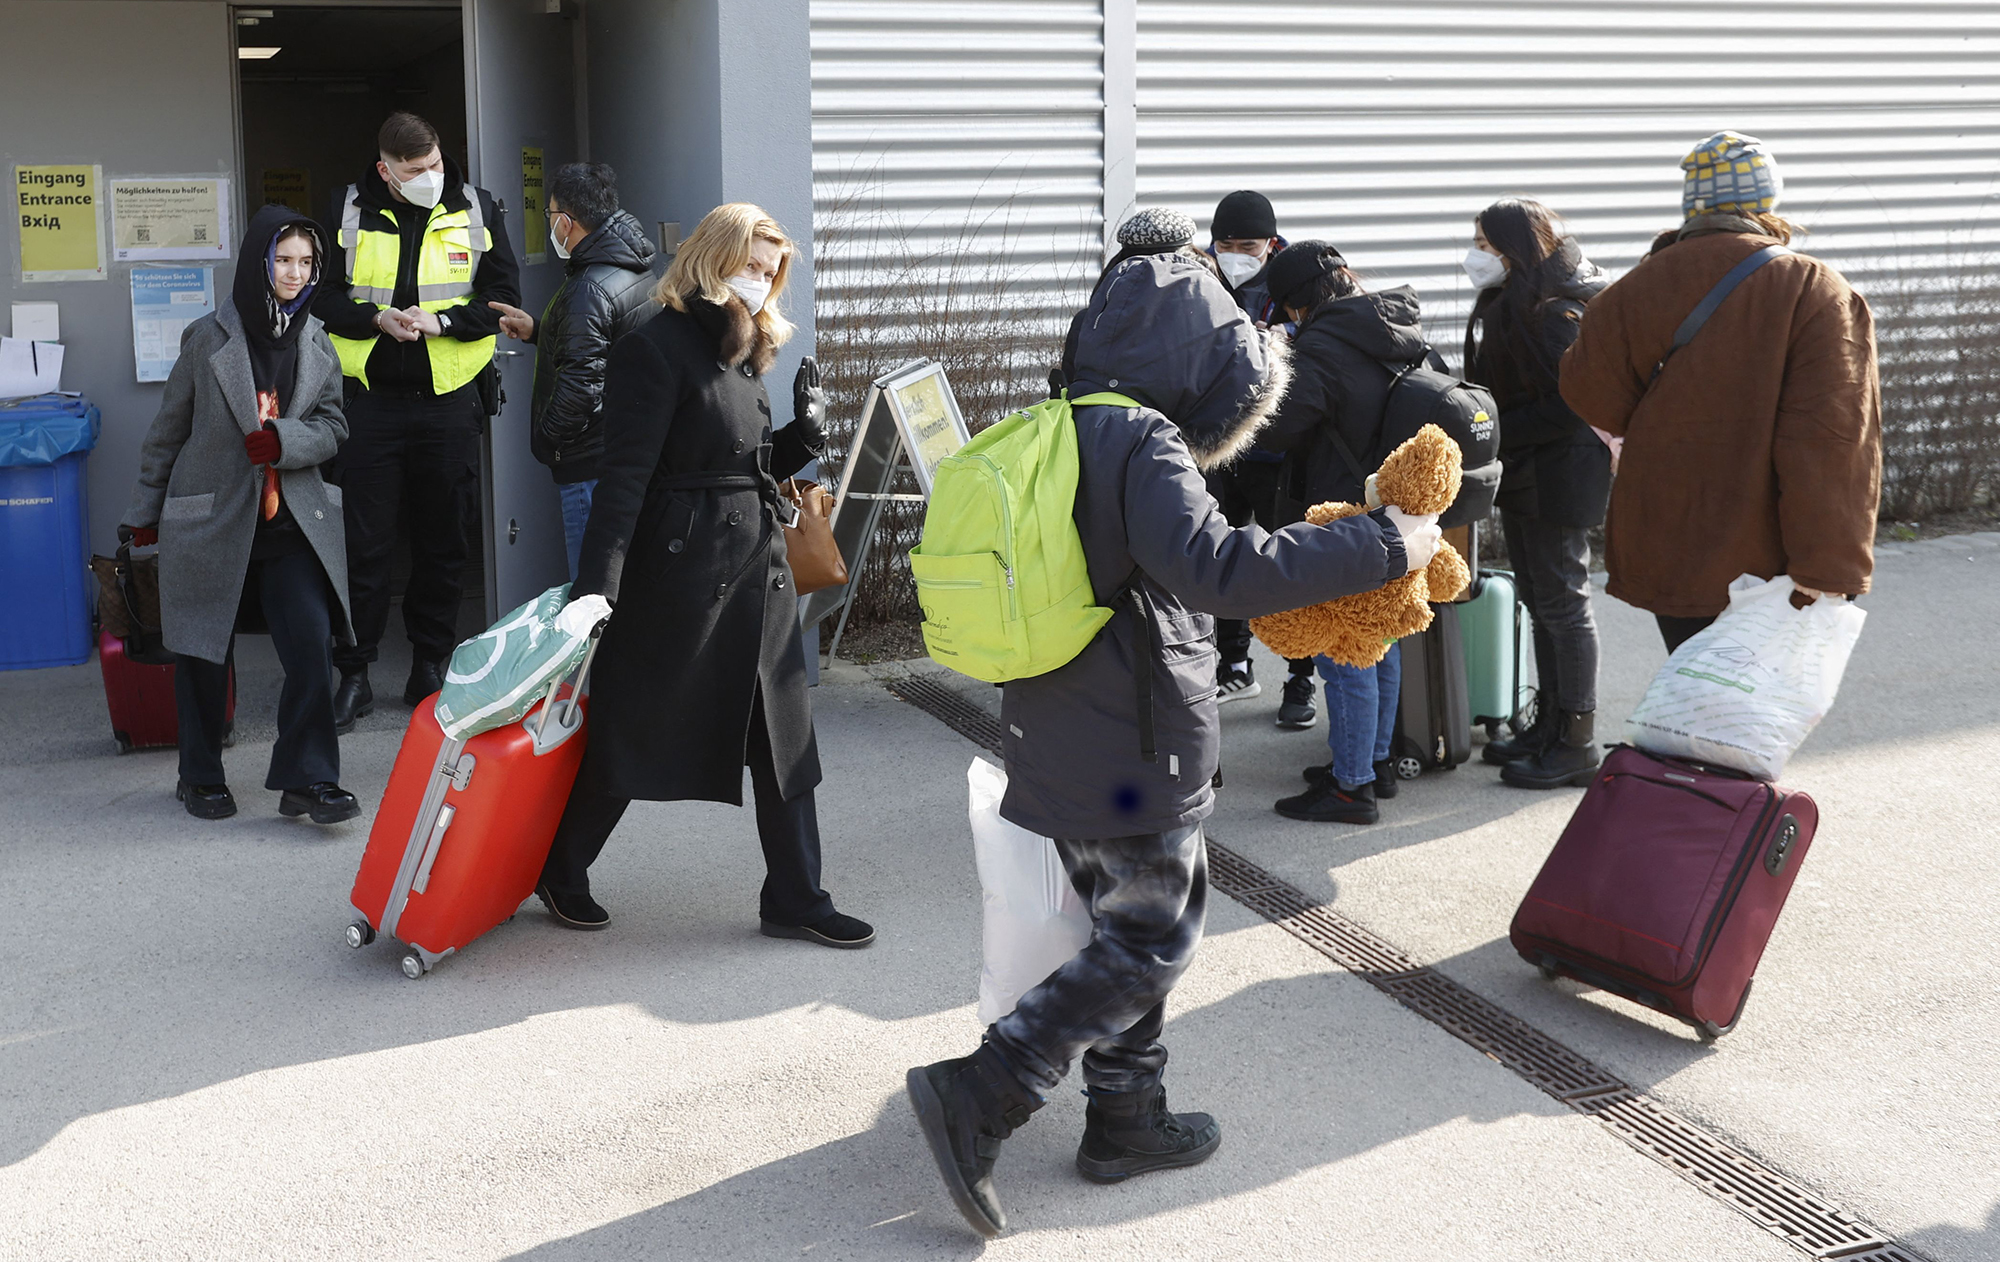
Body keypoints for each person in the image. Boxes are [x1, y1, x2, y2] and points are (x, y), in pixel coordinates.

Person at [906, 241, 1442, 1239]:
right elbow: (1219, 570)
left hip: (1062, 725)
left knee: (1120, 930)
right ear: (1200, 359)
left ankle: (1125, 1115)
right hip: (1131, 744)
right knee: (1154, 938)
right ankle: (986, 1086)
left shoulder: (1062, 423)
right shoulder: (1142, 440)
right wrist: (1383, 541)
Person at [532, 203, 872, 949]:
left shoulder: (746, 349)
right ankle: (561, 868)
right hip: (681, 580)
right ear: (713, 258)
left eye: (770, 272)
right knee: (637, 732)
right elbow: (625, 478)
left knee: (784, 741)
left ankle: (797, 898)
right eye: (751, 265)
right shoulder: (652, 348)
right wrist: (597, 589)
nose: (760, 281)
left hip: (759, 573)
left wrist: (804, 436)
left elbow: (743, 468)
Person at [1561, 131, 1882, 656]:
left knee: (1692, 686)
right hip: (1771, 560)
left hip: (1669, 542)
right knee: (1759, 701)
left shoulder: (1635, 287)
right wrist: (1827, 567)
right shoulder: (1811, 289)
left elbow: (1589, 390)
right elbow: (1833, 440)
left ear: (1694, 205)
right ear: (1766, 201)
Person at [121, 207, 359, 824]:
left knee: (311, 645)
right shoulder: (207, 337)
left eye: (306, 262)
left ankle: (310, 780)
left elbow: (334, 425)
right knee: (203, 654)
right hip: (212, 521)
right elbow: (168, 431)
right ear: (259, 261)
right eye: (283, 260)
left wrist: (286, 441)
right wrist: (144, 512)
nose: (294, 273)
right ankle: (199, 775)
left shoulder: (318, 338)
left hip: (289, 523)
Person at [315, 111, 522, 729]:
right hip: (367, 401)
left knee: (443, 540)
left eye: (433, 163)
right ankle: (354, 673)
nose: (430, 176)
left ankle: (430, 665)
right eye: (414, 170)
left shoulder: (478, 208)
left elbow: (504, 300)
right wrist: (374, 319)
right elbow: (318, 297)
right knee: (363, 544)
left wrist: (444, 322)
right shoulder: (345, 209)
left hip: (448, 400)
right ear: (386, 171)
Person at [1254, 242, 1427, 824]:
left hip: (1343, 513)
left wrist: (1272, 361)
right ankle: (1373, 764)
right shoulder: (1395, 327)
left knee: (1346, 650)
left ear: (1295, 303)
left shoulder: (1322, 347)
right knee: (1380, 638)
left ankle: (1351, 789)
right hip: (1395, 507)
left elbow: (1277, 429)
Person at [1460, 198, 1611, 790]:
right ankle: (1549, 726)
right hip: (1530, 470)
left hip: (1560, 474)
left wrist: (1496, 430)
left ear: (1514, 249)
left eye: (1484, 244)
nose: (1475, 255)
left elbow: (1569, 405)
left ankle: (1577, 741)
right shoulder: (1519, 299)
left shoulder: (1554, 312)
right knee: (1541, 602)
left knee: (1563, 605)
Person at [487, 162, 660, 580]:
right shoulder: (632, 266)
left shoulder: (589, 287)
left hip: (588, 464)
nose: (551, 225)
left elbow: (582, 386)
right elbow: (607, 346)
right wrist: (539, 331)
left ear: (566, 222)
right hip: (622, 450)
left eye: (550, 215)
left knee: (592, 590)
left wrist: (547, 440)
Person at [1203, 190, 1317, 726]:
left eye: (1247, 246)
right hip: (1222, 446)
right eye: (1224, 245)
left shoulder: (1297, 279)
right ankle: (1234, 666)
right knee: (1224, 558)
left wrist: (1281, 337)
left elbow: (1322, 338)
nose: (1234, 256)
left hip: (1280, 451)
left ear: (1271, 244)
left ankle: (1301, 677)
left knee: (1292, 566)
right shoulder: (1204, 275)